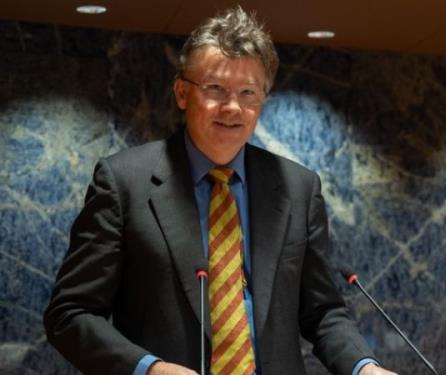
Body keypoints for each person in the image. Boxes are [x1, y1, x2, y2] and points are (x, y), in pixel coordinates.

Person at [44, 6, 397, 375]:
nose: (232, 107)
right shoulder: (123, 182)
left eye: (248, 92)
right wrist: (148, 369)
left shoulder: (298, 188)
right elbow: (70, 314)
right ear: (182, 92)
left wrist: (364, 367)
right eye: (215, 89)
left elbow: (323, 311)